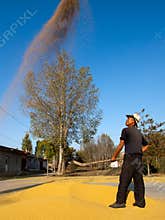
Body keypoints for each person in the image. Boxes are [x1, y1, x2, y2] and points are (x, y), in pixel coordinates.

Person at [109, 113, 149, 208]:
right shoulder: (139, 133)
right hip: (138, 159)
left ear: (134, 122)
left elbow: (121, 144)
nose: (127, 120)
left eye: (129, 119)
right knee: (139, 181)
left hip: (130, 158)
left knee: (124, 179)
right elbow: (147, 145)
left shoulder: (125, 130)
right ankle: (140, 202)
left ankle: (120, 202)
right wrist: (140, 151)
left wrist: (113, 157)